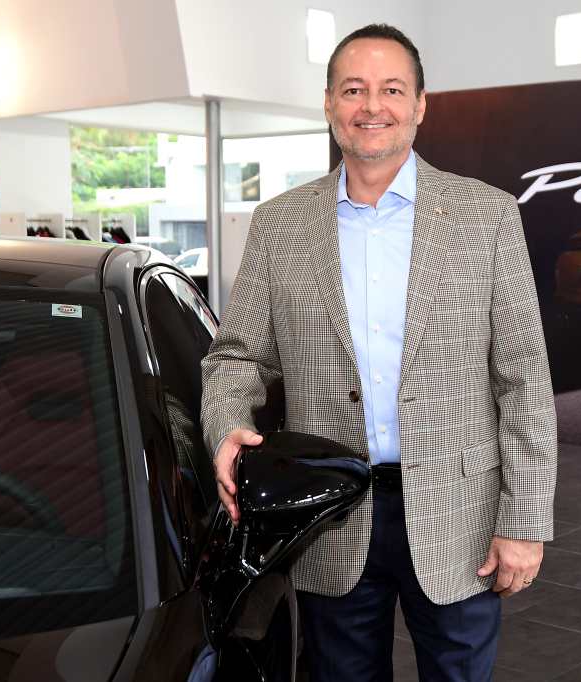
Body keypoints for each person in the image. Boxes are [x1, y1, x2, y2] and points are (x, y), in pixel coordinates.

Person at [201, 23, 556, 681]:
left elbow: (523, 377)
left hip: (460, 519)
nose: (372, 106)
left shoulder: (488, 216)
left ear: (420, 105)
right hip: (330, 516)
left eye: (392, 89)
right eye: (353, 89)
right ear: (329, 103)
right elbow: (237, 355)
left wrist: (525, 519)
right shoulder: (279, 224)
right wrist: (227, 426)